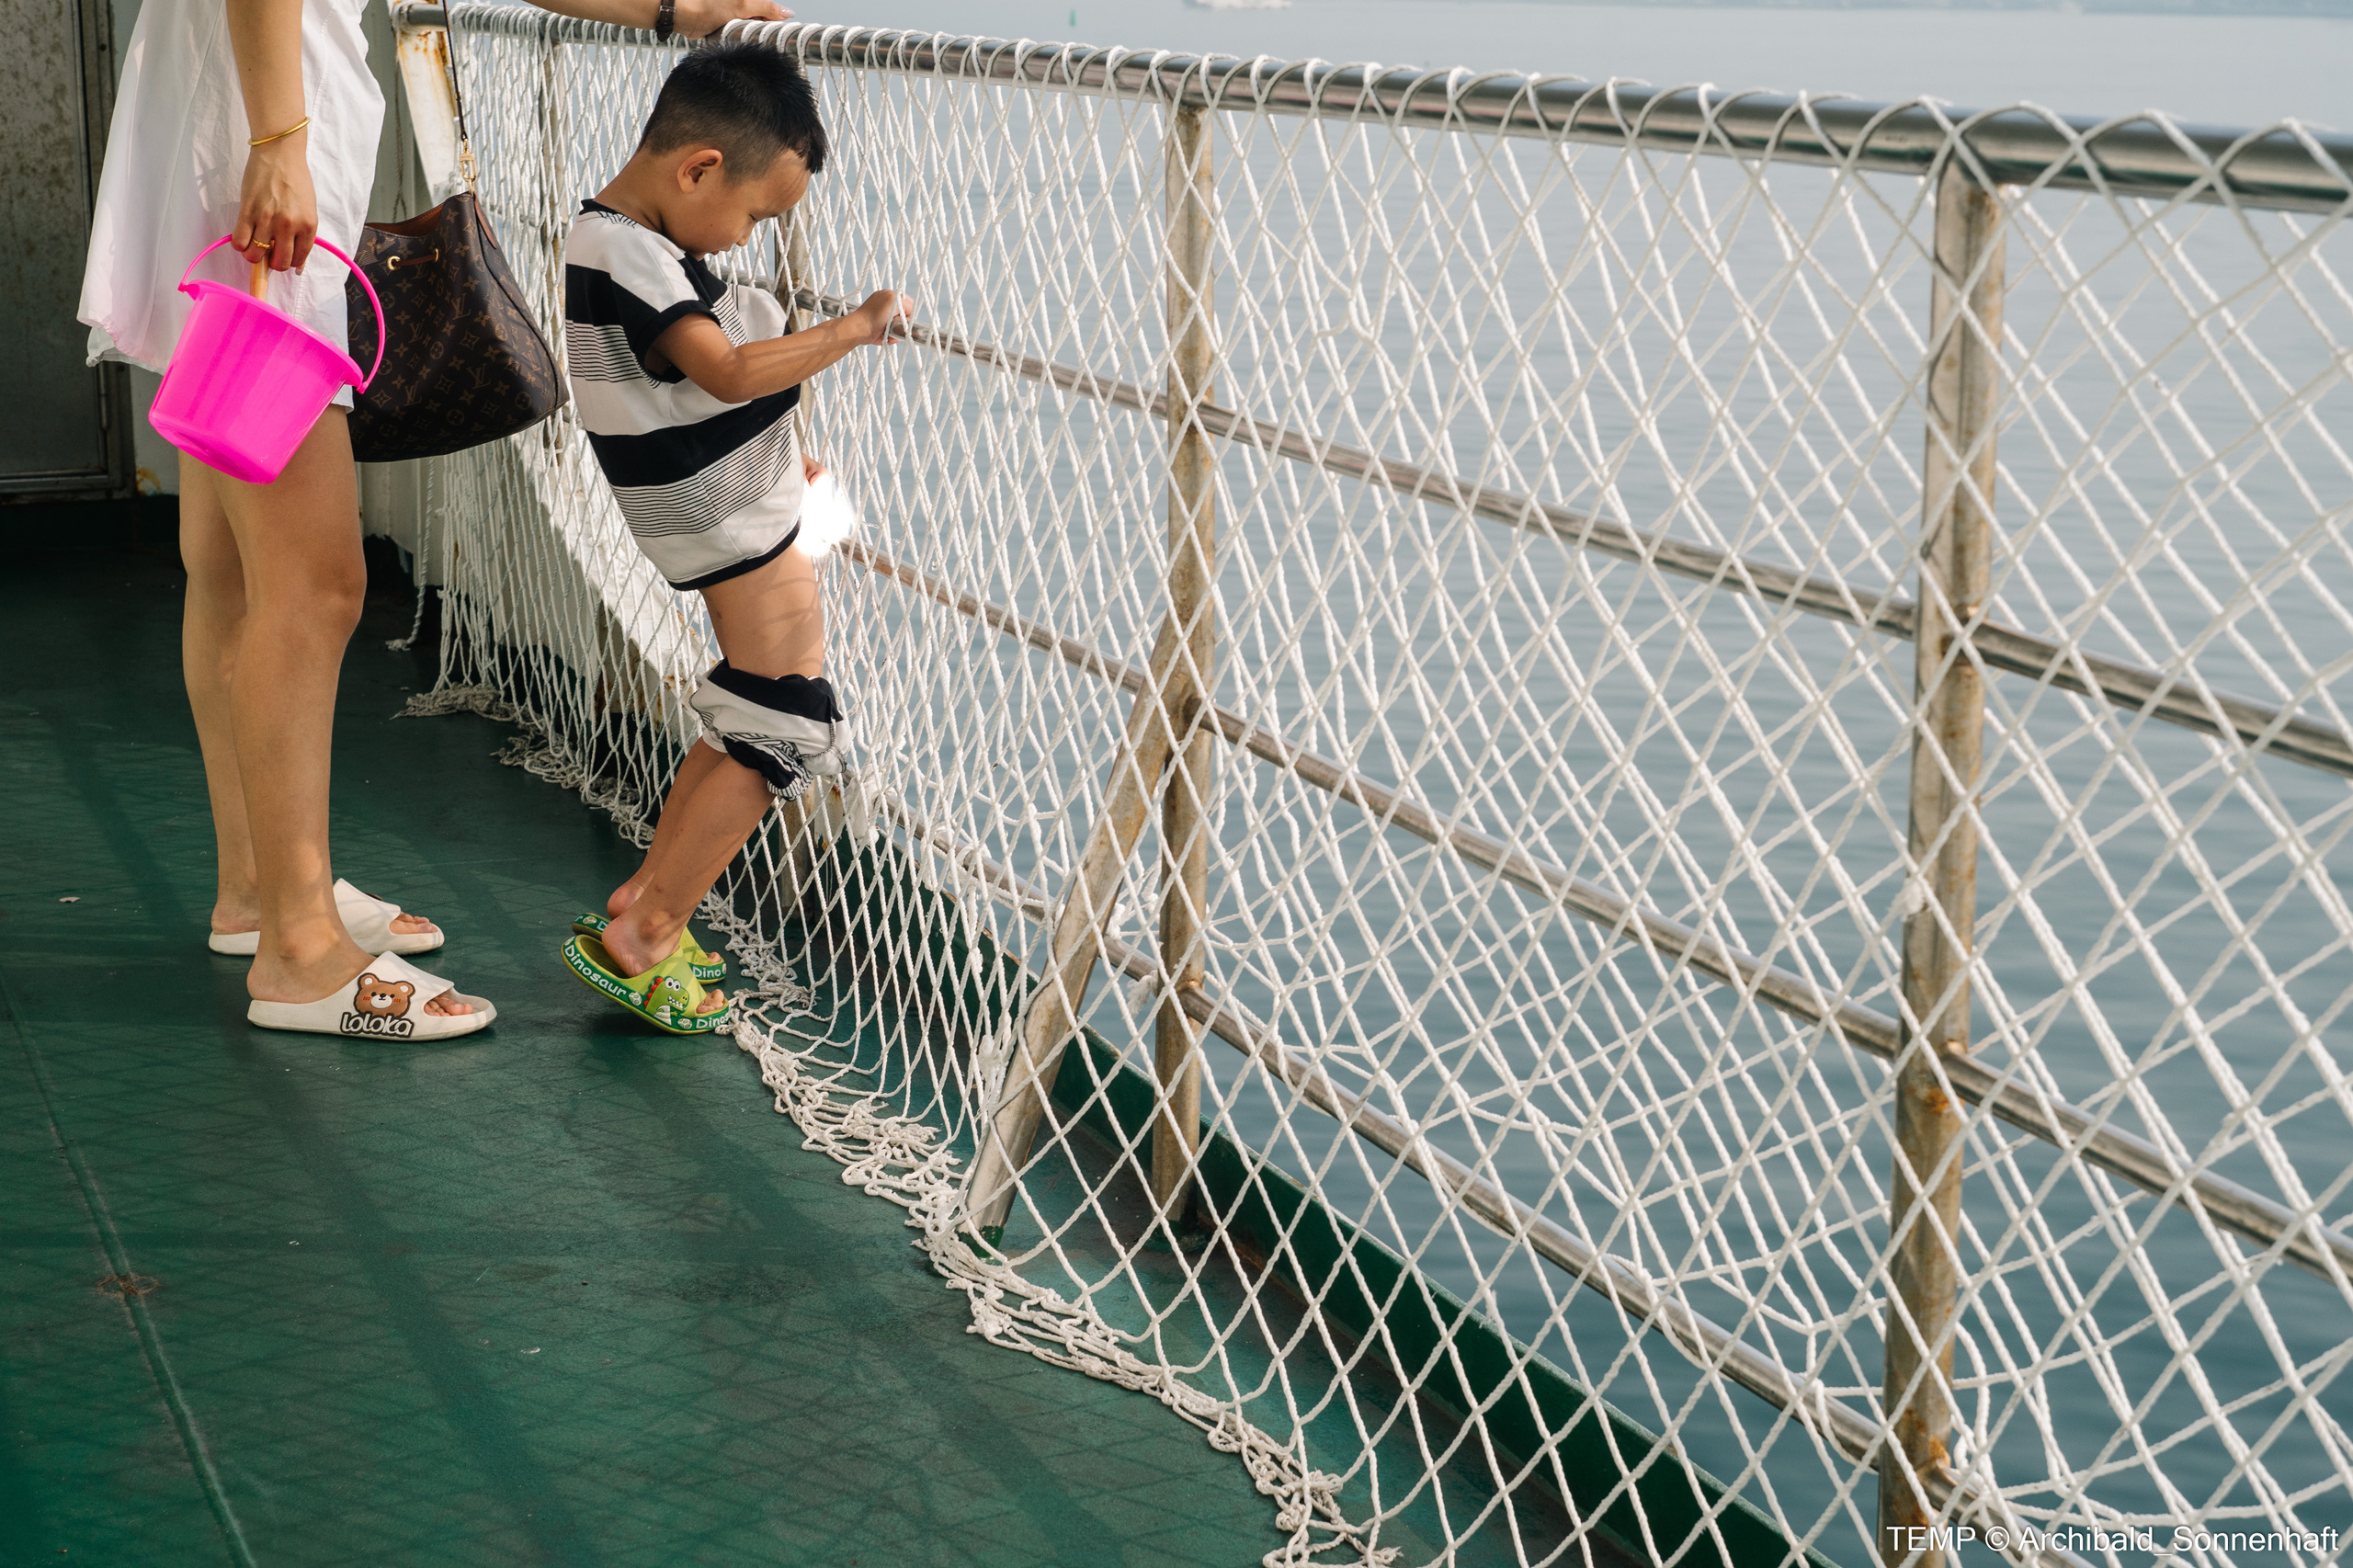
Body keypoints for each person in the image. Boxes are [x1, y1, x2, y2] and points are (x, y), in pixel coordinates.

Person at [75, 0, 790, 1040]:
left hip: (235, 138)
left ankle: (258, 895)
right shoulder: (273, 139)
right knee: (315, 584)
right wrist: (279, 142)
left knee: (229, 566)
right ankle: (300, 951)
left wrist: (666, 9)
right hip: (265, 158)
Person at [556, 40, 908, 1034]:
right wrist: (853, 328)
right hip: (721, 517)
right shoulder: (628, 250)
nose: (747, 238)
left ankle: (645, 902)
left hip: (718, 505)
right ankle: (650, 928)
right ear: (698, 167)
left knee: (760, 702)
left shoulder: (620, 238)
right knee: (789, 717)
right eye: (754, 215)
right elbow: (723, 369)